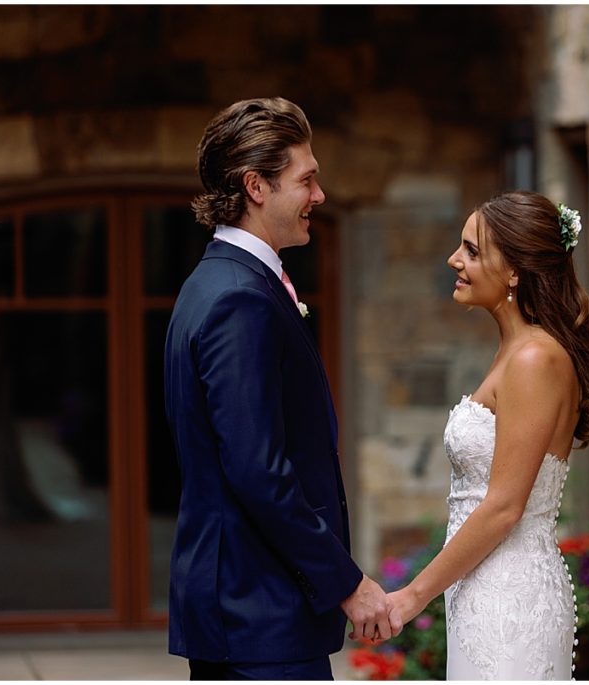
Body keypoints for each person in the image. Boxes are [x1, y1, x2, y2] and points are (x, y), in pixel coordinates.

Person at [164, 97, 400, 681]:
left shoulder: (215, 282)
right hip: (257, 614)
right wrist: (346, 581)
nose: (319, 196)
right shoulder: (239, 300)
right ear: (256, 187)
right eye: (307, 179)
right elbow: (257, 471)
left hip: (247, 610)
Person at [386, 191, 589, 679]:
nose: (454, 259)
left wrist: (410, 598)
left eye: (471, 250)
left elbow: (505, 506)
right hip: (482, 589)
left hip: (510, 601)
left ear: (514, 271)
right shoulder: (514, 352)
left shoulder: (535, 359)